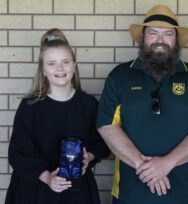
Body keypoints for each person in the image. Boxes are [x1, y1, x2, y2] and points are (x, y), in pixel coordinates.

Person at [97, 4, 188, 204]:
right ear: (143, 37)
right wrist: (145, 167)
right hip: (130, 195)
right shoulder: (120, 76)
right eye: (153, 33)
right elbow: (106, 124)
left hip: (186, 195)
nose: (160, 40)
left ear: (176, 40)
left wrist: (166, 164)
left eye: (167, 34)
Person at [5, 28, 110, 204]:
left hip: (76, 193)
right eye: (52, 63)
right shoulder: (30, 107)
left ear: (74, 65)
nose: (60, 68)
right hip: (34, 192)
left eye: (65, 62)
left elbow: (104, 143)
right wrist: (47, 177)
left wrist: (89, 156)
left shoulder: (89, 105)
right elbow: (18, 153)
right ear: (43, 70)